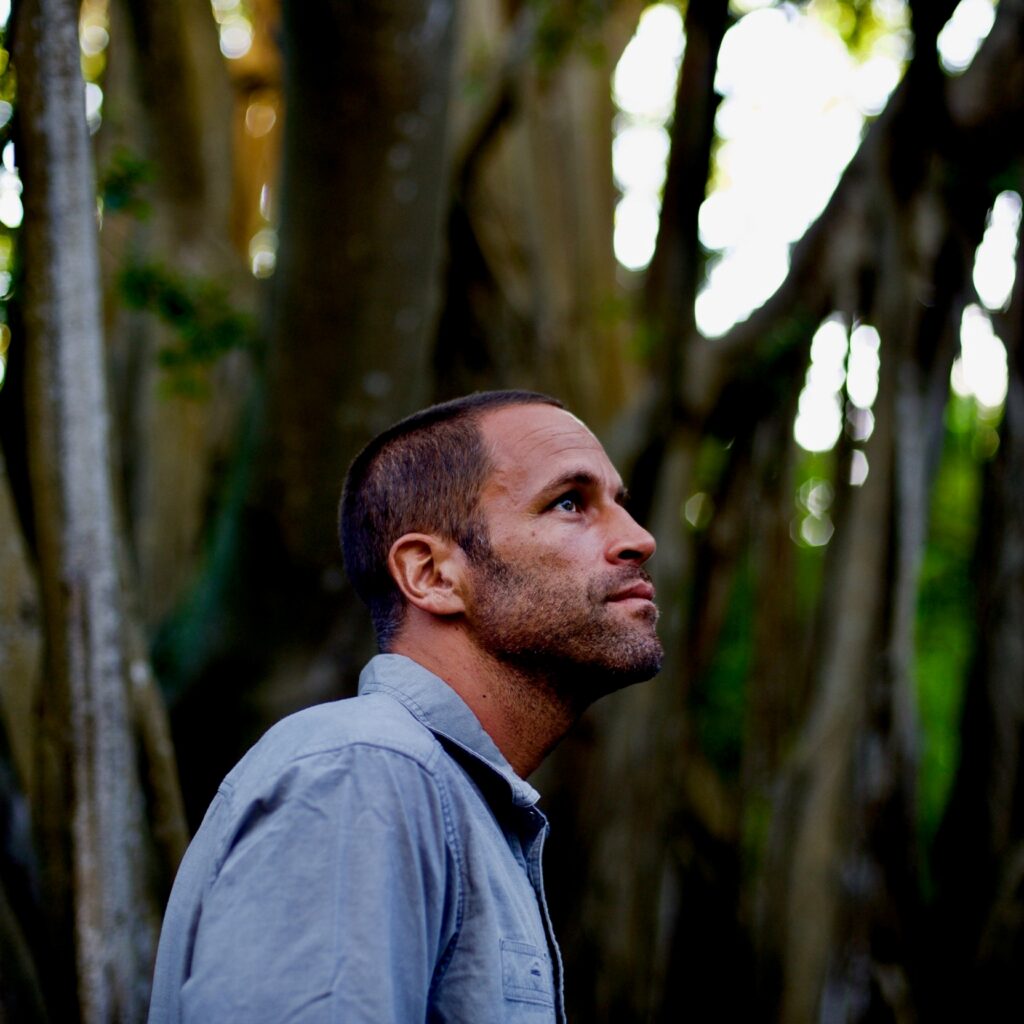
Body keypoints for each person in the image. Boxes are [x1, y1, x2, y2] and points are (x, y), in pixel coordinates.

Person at [147, 390, 662, 1023]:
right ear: (432, 575)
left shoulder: (454, 802)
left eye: (620, 503)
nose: (639, 539)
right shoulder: (366, 772)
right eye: (569, 503)